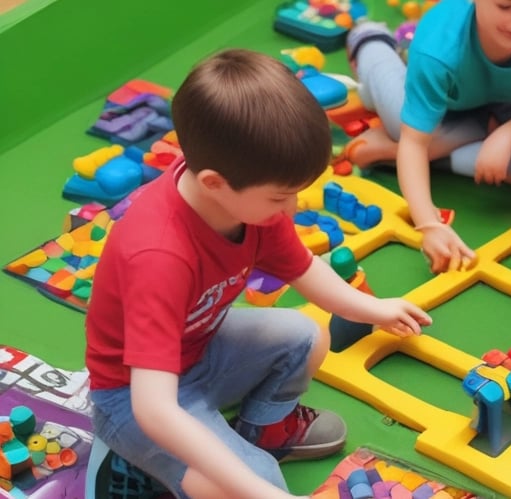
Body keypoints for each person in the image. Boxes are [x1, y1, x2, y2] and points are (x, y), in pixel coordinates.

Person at [85, 49, 432, 499]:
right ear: (214, 183)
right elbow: (155, 410)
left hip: (199, 351)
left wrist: (374, 308)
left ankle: (262, 430)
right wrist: (253, 486)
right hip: (132, 400)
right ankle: (133, 466)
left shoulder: (250, 202)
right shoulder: (159, 255)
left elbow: (305, 270)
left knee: (306, 335)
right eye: (280, 198)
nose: (291, 208)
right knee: (255, 486)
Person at [344, 0, 511, 274]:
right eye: (506, 6)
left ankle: (404, 151)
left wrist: (507, 135)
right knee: (401, 126)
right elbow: (412, 143)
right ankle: (370, 41)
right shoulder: (437, 48)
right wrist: (430, 225)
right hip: (451, 106)